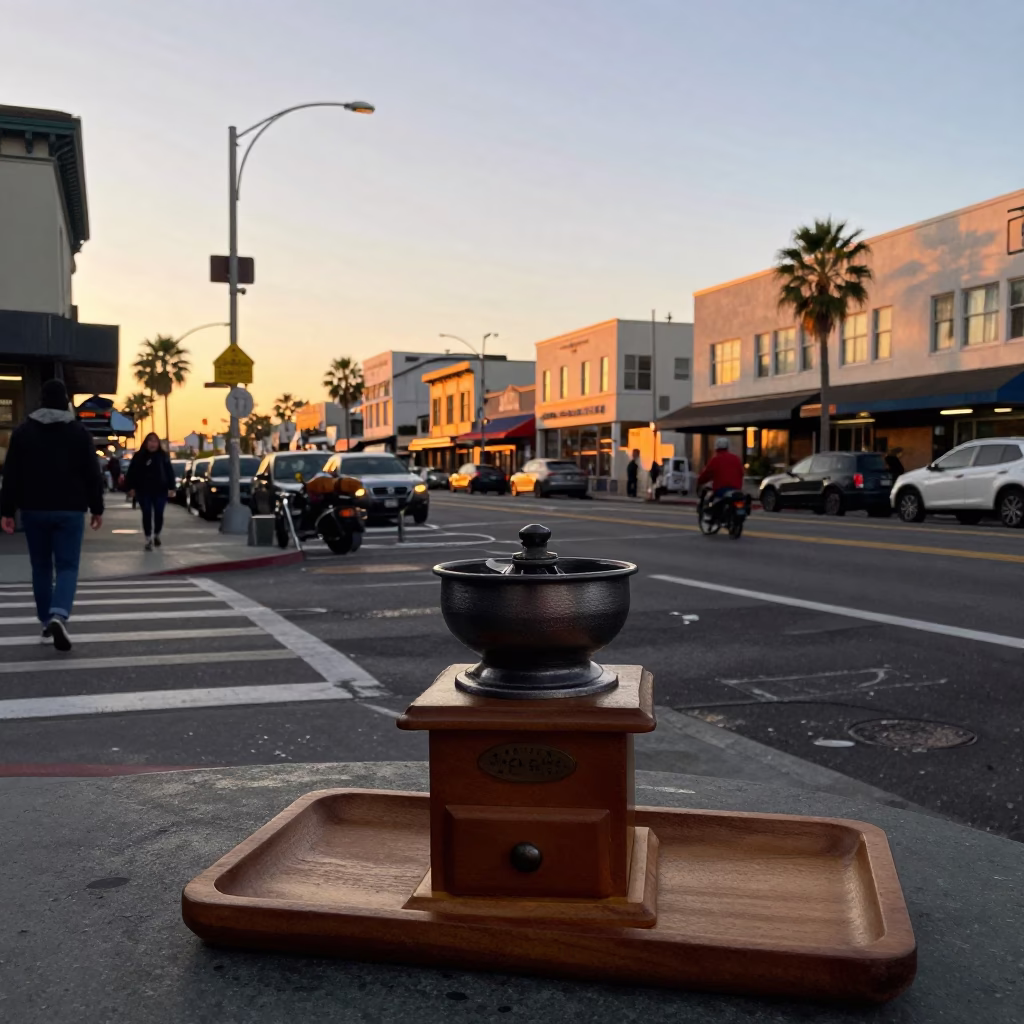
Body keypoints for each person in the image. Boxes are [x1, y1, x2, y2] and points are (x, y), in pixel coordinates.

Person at [0, 378, 103, 651]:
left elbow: (10, 474)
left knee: (41, 567)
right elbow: (92, 474)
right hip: (70, 509)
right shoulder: (79, 432)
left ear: (41, 401)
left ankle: (46, 620)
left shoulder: (23, 432)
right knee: (67, 566)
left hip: (33, 509)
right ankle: (60, 614)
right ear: (65, 400)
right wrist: (97, 507)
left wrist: (7, 510)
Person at [125, 433, 176, 551]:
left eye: (155, 441)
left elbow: (169, 472)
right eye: (150, 441)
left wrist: (172, 488)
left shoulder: (163, 456)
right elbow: (131, 472)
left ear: (158, 444)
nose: (153, 444)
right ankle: (148, 538)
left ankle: (157, 534)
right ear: (146, 443)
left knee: (159, 513)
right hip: (143, 491)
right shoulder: (139, 456)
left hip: (160, 490)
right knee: (146, 513)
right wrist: (130, 488)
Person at [697, 438, 745, 503]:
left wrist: (700, 480)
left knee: (711, 500)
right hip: (736, 489)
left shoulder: (715, 459)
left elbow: (706, 473)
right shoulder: (736, 458)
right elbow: (741, 473)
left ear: (716, 448)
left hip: (721, 489)